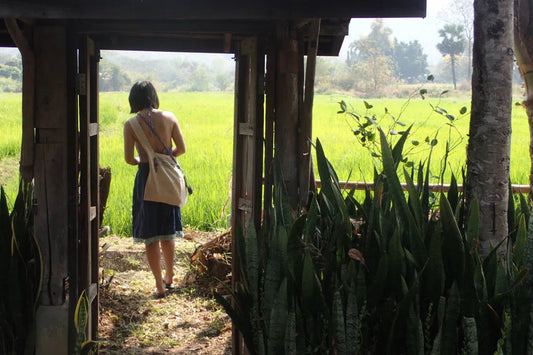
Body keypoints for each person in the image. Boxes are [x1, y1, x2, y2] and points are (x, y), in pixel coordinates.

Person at [123, 81, 186, 298]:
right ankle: (170, 277)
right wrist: (164, 158)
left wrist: (147, 158)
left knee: (150, 234)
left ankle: (158, 285)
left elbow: (130, 159)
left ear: (134, 99)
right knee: (168, 231)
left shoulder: (130, 124)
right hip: (166, 178)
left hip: (146, 179)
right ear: (154, 96)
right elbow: (182, 149)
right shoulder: (169, 117)